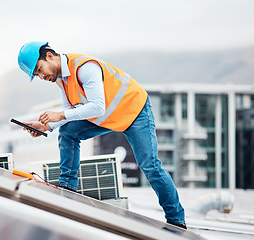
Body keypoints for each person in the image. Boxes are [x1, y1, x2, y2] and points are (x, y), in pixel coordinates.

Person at [17, 41, 186, 229]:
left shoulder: (85, 68)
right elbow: (69, 111)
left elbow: (97, 106)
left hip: (135, 112)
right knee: (67, 133)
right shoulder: (61, 80)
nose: (41, 76)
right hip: (107, 117)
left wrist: (60, 115)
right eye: (37, 75)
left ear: (49, 56)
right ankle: (67, 190)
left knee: (150, 166)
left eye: (39, 70)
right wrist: (45, 127)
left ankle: (176, 220)